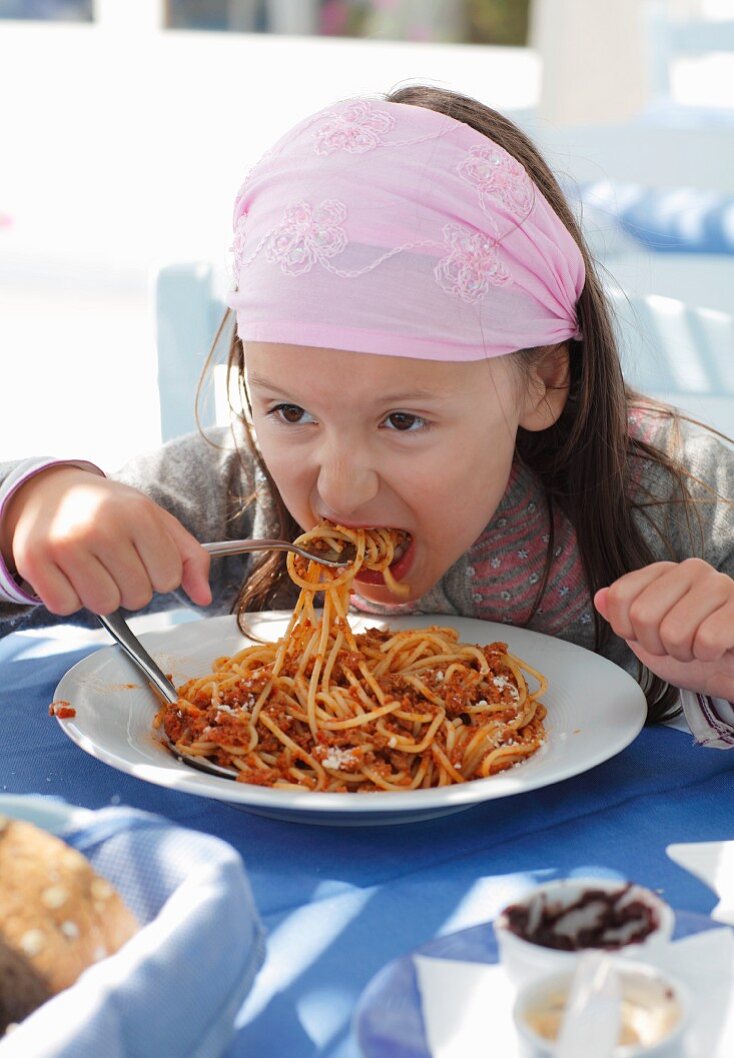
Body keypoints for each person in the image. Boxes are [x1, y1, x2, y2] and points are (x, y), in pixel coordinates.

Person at [1, 86, 732, 745]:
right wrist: (32, 511)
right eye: (289, 410)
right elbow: (47, 553)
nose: (340, 491)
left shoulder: (686, 501)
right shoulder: (229, 490)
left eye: (402, 421)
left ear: (542, 381)